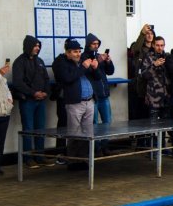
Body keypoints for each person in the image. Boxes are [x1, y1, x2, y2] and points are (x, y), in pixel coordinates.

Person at [52, 38, 96, 171]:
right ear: (68, 52)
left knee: (87, 132)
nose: (78, 54)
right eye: (75, 52)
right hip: (74, 102)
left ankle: (83, 159)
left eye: (79, 51)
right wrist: (83, 67)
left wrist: (94, 68)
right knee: (74, 133)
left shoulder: (80, 62)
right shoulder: (61, 63)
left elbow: (97, 76)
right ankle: (72, 160)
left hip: (89, 101)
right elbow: (68, 78)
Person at [12, 35, 53, 168]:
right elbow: (18, 82)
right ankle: (28, 157)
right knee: (28, 129)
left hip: (41, 100)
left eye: (38, 46)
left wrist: (45, 92)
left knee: (41, 129)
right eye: (35, 46)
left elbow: (46, 79)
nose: (37, 48)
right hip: (28, 101)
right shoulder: (19, 62)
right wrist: (33, 93)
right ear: (28, 46)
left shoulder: (39, 61)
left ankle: (40, 156)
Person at [82, 33, 115, 155]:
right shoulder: (84, 57)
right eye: (93, 44)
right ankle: (95, 148)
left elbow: (110, 71)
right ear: (88, 44)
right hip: (93, 96)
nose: (96, 46)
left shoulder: (100, 56)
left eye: (97, 44)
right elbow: (86, 73)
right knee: (94, 123)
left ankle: (105, 146)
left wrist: (108, 62)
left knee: (107, 121)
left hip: (104, 94)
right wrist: (95, 64)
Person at [141, 36, 170, 120]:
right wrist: (154, 65)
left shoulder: (167, 56)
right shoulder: (148, 57)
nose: (160, 48)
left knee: (166, 124)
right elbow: (144, 75)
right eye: (157, 45)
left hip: (166, 97)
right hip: (153, 98)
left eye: (162, 45)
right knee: (153, 125)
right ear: (153, 45)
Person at [130, 24, 155, 119]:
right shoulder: (140, 49)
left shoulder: (156, 49)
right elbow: (134, 49)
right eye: (147, 34)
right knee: (141, 113)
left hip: (154, 85)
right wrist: (142, 33)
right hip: (141, 85)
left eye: (151, 33)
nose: (149, 35)